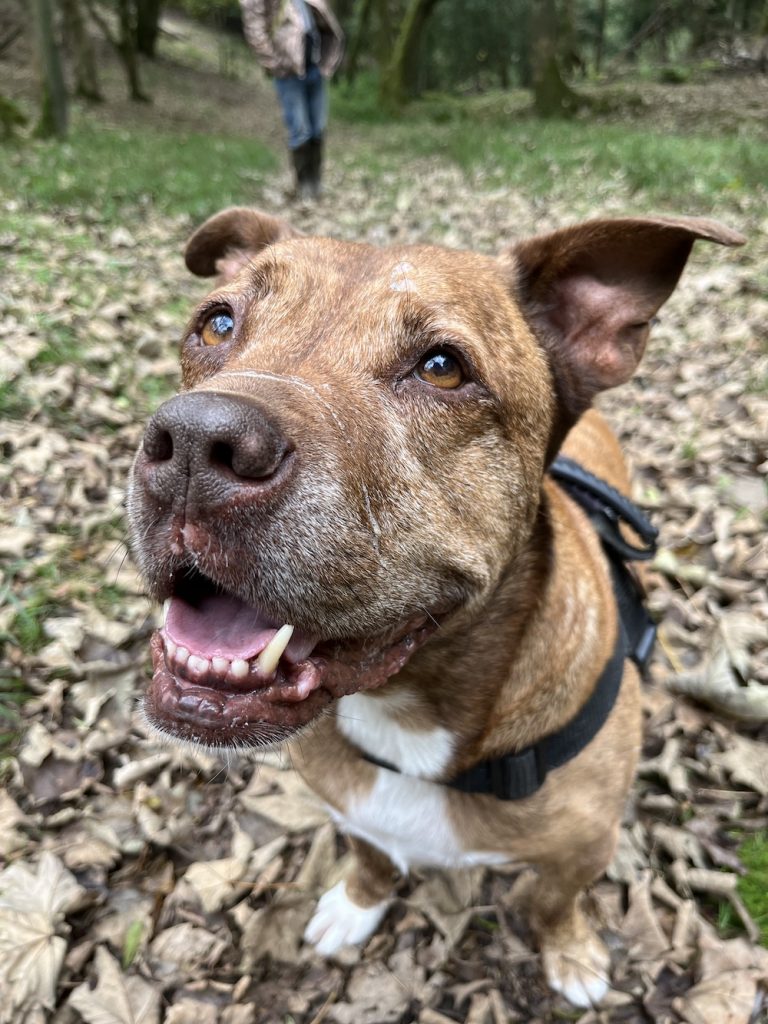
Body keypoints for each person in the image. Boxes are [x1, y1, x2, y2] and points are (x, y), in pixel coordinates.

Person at [240, 0, 344, 199]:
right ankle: (304, 185)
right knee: (300, 129)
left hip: (315, 66)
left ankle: (316, 183)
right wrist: (274, 64)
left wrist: (327, 59)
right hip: (288, 72)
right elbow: (255, 28)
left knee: (318, 128)